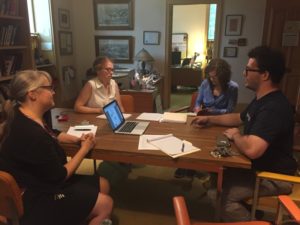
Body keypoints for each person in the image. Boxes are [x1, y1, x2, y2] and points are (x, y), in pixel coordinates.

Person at [191, 46, 297, 222]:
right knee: (215, 180)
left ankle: (254, 221)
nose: (244, 73)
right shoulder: (261, 99)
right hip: (256, 167)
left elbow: (253, 149)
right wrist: (210, 120)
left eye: (248, 69)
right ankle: (250, 214)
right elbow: (238, 117)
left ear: (265, 75)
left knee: (222, 197)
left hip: (274, 176)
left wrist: (236, 136)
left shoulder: (273, 108)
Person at [0, 70, 113, 225]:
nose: (53, 92)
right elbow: (60, 176)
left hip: (41, 180)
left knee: (103, 184)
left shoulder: (25, 114)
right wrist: (84, 149)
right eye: (49, 88)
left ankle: (78, 214)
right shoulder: (31, 134)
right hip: (35, 194)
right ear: (32, 94)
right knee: (106, 204)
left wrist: (76, 139)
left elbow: (52, 133)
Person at [175, 58, 238, 179]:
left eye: (215, 77)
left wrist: (212, 112)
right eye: (210, 76)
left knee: (214, 146)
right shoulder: (205, 83)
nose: (212, 79)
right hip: (203, 119)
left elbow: (229, 111)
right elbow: (198, 103)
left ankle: (212, 171)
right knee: (190, 139)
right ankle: (188, 167)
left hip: (221, 121)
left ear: (224, 76)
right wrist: (197, 109)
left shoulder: (232, 88)